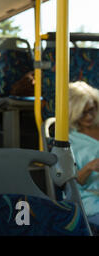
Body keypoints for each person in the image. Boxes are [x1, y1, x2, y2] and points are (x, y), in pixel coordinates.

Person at [68, 81, 99, 228]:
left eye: (92, 110)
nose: (89, 117)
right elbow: (71, 184)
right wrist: (89, 167)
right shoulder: (69, 141)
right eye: (83, 113)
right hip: (91, 200)